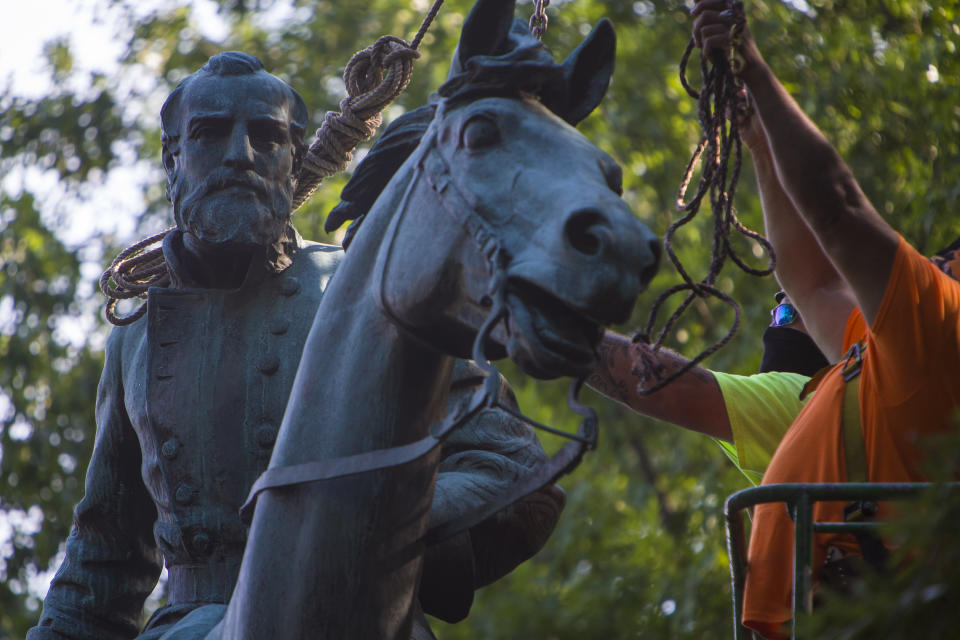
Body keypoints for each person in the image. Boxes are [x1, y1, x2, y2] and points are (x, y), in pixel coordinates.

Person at [27, 52, 564, 640]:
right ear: (172, 160)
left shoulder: (365, 288)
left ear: (292, 162)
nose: (240, 155)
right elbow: (103, 558)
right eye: (210, 134)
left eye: (267, 136)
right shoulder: (135, 336)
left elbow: (513, 470)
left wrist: (355, 523)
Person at [689, 1, 960, 636]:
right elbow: (812, 282)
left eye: (950, 257)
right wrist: (759, 146)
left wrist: (752, 64)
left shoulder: (943, 334)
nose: (938, 260)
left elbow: (838, 211)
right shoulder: (897, 356)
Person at [588, 290, 827, 486]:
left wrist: (566, 329)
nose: (773, 325)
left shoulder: (811, 403)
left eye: (786, 314)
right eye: (773, 315)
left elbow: (674, 387)